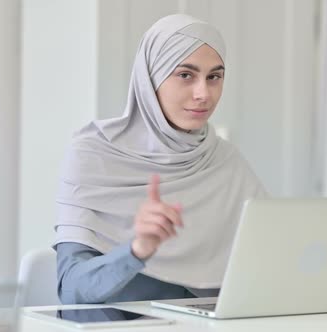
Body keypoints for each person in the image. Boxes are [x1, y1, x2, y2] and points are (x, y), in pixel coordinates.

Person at [54, 14, 267, 304]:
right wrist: (137, 249)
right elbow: (72, 290)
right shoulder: (93, 154)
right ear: (150, 78)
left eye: (214, 77)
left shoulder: (226, 162)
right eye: (185, 75)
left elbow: (270, 261)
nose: (203, 94)